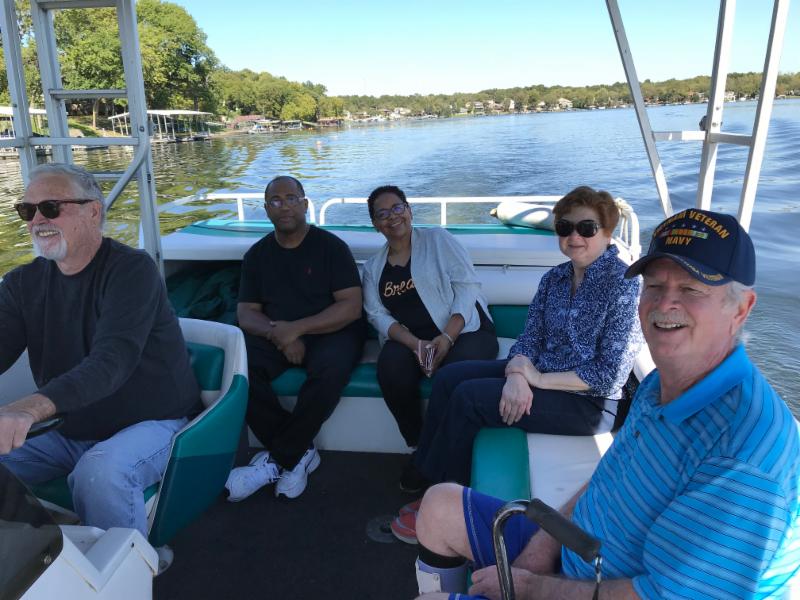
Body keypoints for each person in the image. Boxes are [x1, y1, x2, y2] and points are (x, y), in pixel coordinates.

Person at [412, 208, 800, 599]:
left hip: (612, 588)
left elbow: (659, 596)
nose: (665, 303)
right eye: (654, 285)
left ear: (741, 309)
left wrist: (530, 588)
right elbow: (608, 479)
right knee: (438, 505)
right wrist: (540, 550)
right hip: (579, 554)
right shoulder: (660, 385)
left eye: (691, 289)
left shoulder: (742, 455)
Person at [392, 186, 642, 543]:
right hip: (541, 374)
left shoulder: (624, 284)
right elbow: (530, 338)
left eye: (586, 228)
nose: (574, 236)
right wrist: (517, 373)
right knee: (449, 378)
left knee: (470, 398)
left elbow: (609, 375)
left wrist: (535, 378)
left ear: (607, 232)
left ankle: (448, 505)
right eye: (565, 227)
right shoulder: (555, 278)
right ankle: (427, 470)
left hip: (591, 402)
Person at [0, 163, 200, 538]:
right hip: (69, 426)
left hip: (152, 420)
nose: (37, 219)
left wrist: (28, 409)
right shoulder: (21, 284)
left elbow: (111, 362)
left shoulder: (132, 271)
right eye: (28, 210)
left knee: (99, 474)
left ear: (93, 211)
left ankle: (131, 567)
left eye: (51, 207)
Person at [225, 175, 365, 501]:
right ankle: (300, 451)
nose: (284, 206)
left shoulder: (331, 248)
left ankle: (281, 457)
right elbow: (246, 313)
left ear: (305, 204)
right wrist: (281, 335)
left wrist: (297, 329)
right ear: (266, 209)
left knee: (331, 371)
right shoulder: (257, 256)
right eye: (275, 200)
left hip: (332, 330)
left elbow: (350, 307)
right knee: (238, 366)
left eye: (291, 198)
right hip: (278, 332)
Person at [362, 185, 498, 453]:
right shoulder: (373, 268)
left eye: (397, 207)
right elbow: (376, 314)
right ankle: (417, 444)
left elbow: (467, 286)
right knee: (390, 369)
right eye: (382, 214)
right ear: (376, 225)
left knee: (452, 376)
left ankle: (445, 449)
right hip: (414, 339)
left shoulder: (438, 239)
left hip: (466, 331)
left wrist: (446, 338)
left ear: (409, 210)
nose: (392, 216)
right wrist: (416, 345)